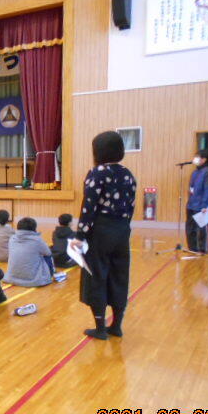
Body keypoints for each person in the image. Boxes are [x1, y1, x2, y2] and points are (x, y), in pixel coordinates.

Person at [70, 131, 136, 340]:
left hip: (100, 230)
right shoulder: (127, 174)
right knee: (119, 276)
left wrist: (80, 235)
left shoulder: (98, 173)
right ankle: (116, 325)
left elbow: (89, 206)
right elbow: (131, 206)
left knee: (96, 276)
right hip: (122, 230)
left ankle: (100, 328)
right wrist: (123, 228)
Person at [3, 217, 53, 287]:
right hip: (33, 280)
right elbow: (48, 253)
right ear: (34, 228)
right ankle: (51, 273)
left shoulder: (12, 238)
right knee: (47, 256)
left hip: (12, 277)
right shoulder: (37, 240)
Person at [186, 149, 208, 254]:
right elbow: (192, 188)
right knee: (190, 228)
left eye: (197, 157)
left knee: (202, 228)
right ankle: (192, 248)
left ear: (204, 159)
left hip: (202, 205)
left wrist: (205, 205)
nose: (195, 159)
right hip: (192, 204)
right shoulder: (195, 172)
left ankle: (202, 249)